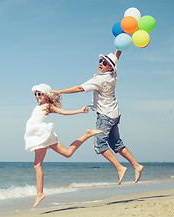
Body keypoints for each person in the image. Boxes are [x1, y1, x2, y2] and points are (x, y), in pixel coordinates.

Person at [52, 50, 144, 185]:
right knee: (116, 143)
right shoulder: (113, 74)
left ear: (110, 67)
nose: (101, 63)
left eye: (105, 62)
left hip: (105, 116)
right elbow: (117, 56)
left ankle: (120, 167)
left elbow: (79, 88)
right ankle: (136, 165)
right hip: (115, 114)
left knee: (99, 145)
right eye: (100, 61)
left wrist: (60, 91)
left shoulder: (99, 80)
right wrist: (120, 46)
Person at [24, 83, 102, 208]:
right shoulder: (39, 106)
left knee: (37, 164)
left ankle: (40, 193)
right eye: (36, 94)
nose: (37, 96)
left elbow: (64, 112)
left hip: (41, 135)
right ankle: (87, 134)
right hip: (41, 135)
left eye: (40, 94)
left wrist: (80, 111)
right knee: (67, 153)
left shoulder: (47, 106)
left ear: (46, 95)